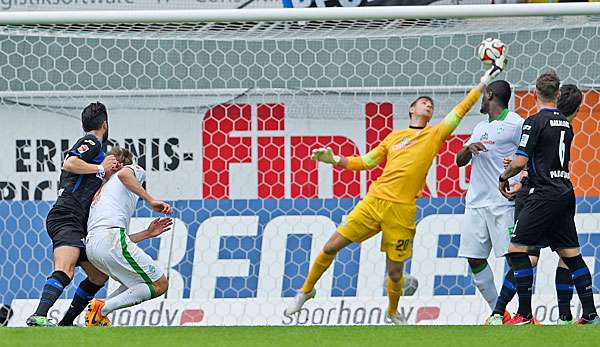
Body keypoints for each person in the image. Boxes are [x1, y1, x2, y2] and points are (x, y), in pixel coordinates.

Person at [284, 52, 507, 325]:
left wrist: (484, 81)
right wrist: (334, 159)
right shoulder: (394, 137)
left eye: (431, 105)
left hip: (402, 210)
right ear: (412, 110)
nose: (429, 105)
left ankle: (392, 312)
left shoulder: (434, 134)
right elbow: (365, 161)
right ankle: (306, 291)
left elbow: (459, 110)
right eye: (423, 102)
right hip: (374, 200)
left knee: (394, 272)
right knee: (331, 246)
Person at [499, 71, 599, 325]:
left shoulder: (534, 121)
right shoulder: (566, 123)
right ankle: (590, 313)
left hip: (542, 194)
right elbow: (546, 157)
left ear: (535, 94)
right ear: (557, 94)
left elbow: (521, 160)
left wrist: (505, 175)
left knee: (517, 250)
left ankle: (523, 314)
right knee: (571, 254)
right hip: (564, 192)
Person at [27, 102, 118, 327]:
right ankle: (38, 316)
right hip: (66, 216)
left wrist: (105, 177)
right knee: (65, 270)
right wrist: (100, 169)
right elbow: (69, 162)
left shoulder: (99, 155)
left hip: (78, 221)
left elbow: (88, 183)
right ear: (105, 124)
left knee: (98, 276)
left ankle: (66, 323)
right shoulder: (91, 142)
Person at [455, 80, 523, 323]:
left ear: (491, 95)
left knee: (516, 259)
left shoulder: (515, 123)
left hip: (501, 203)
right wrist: (468, 148)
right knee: (474, 258)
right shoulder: (480, 127)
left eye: (484, 95)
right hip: (475, 204)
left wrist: (521, 182)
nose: (481, 100)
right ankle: (500, 313)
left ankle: (524, 312)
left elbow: (531, 154)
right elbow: (459, 161)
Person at [83, 147, 172, 326]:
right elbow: (125, 175)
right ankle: (102, 308)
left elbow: (111, 238)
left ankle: (98, 315)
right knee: (160, 284)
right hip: (109, 239)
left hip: (93, 246)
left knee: (136, 283)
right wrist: (151, 200)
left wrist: (147, 233)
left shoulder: (100, 193)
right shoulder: (131, 170)